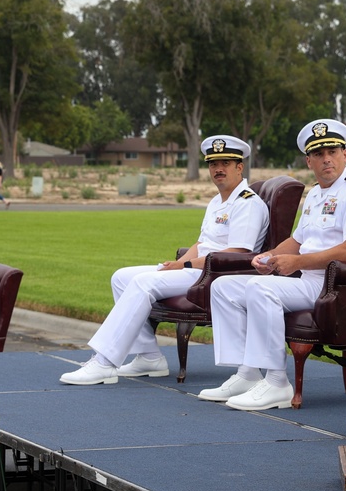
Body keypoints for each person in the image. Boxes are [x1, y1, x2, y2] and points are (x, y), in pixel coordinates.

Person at [60, 135, 270, 386]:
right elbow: (202, 244)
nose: (219, 169)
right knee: (121, 277)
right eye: (214, 164)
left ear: (239, 166)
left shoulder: (247, 203)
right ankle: (148, 356)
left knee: (143, 283)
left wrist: (185, 265)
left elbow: (235, 254)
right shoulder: (218, 201)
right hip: (199, 269)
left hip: (219, 276)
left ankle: (104, 361)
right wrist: (180, 262)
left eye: (226, 163)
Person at [199, 118, 346, 411]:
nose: (326, 159)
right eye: (318, 154)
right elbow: (296, 240)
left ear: (345, 154)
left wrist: (297, 262)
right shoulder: (316, 193)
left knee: (261, 290)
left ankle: (277, 382)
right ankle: (248, 373)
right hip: (309, 280)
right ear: (308, 161)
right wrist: (267, 257)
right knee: (224, 286)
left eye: (332, 151)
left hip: (336, 285)